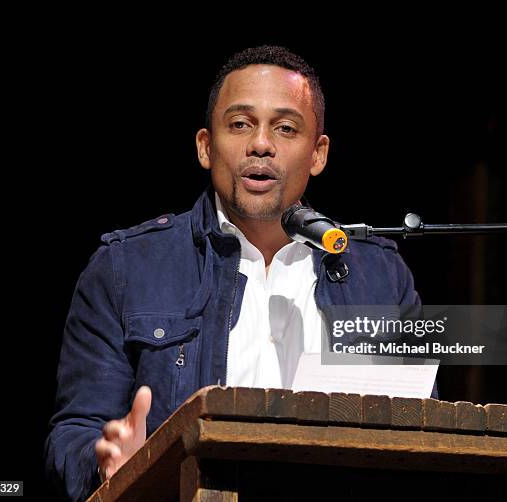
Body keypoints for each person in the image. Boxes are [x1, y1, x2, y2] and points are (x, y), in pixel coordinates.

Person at [45, 45, 436, 502]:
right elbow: (72, 436)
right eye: (240, 124)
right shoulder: (125, 268)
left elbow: (420, 436)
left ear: (318, 153)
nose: (261, 144)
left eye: (286, 128)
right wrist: (109, 459)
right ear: (206, 147)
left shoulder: (382, 276)